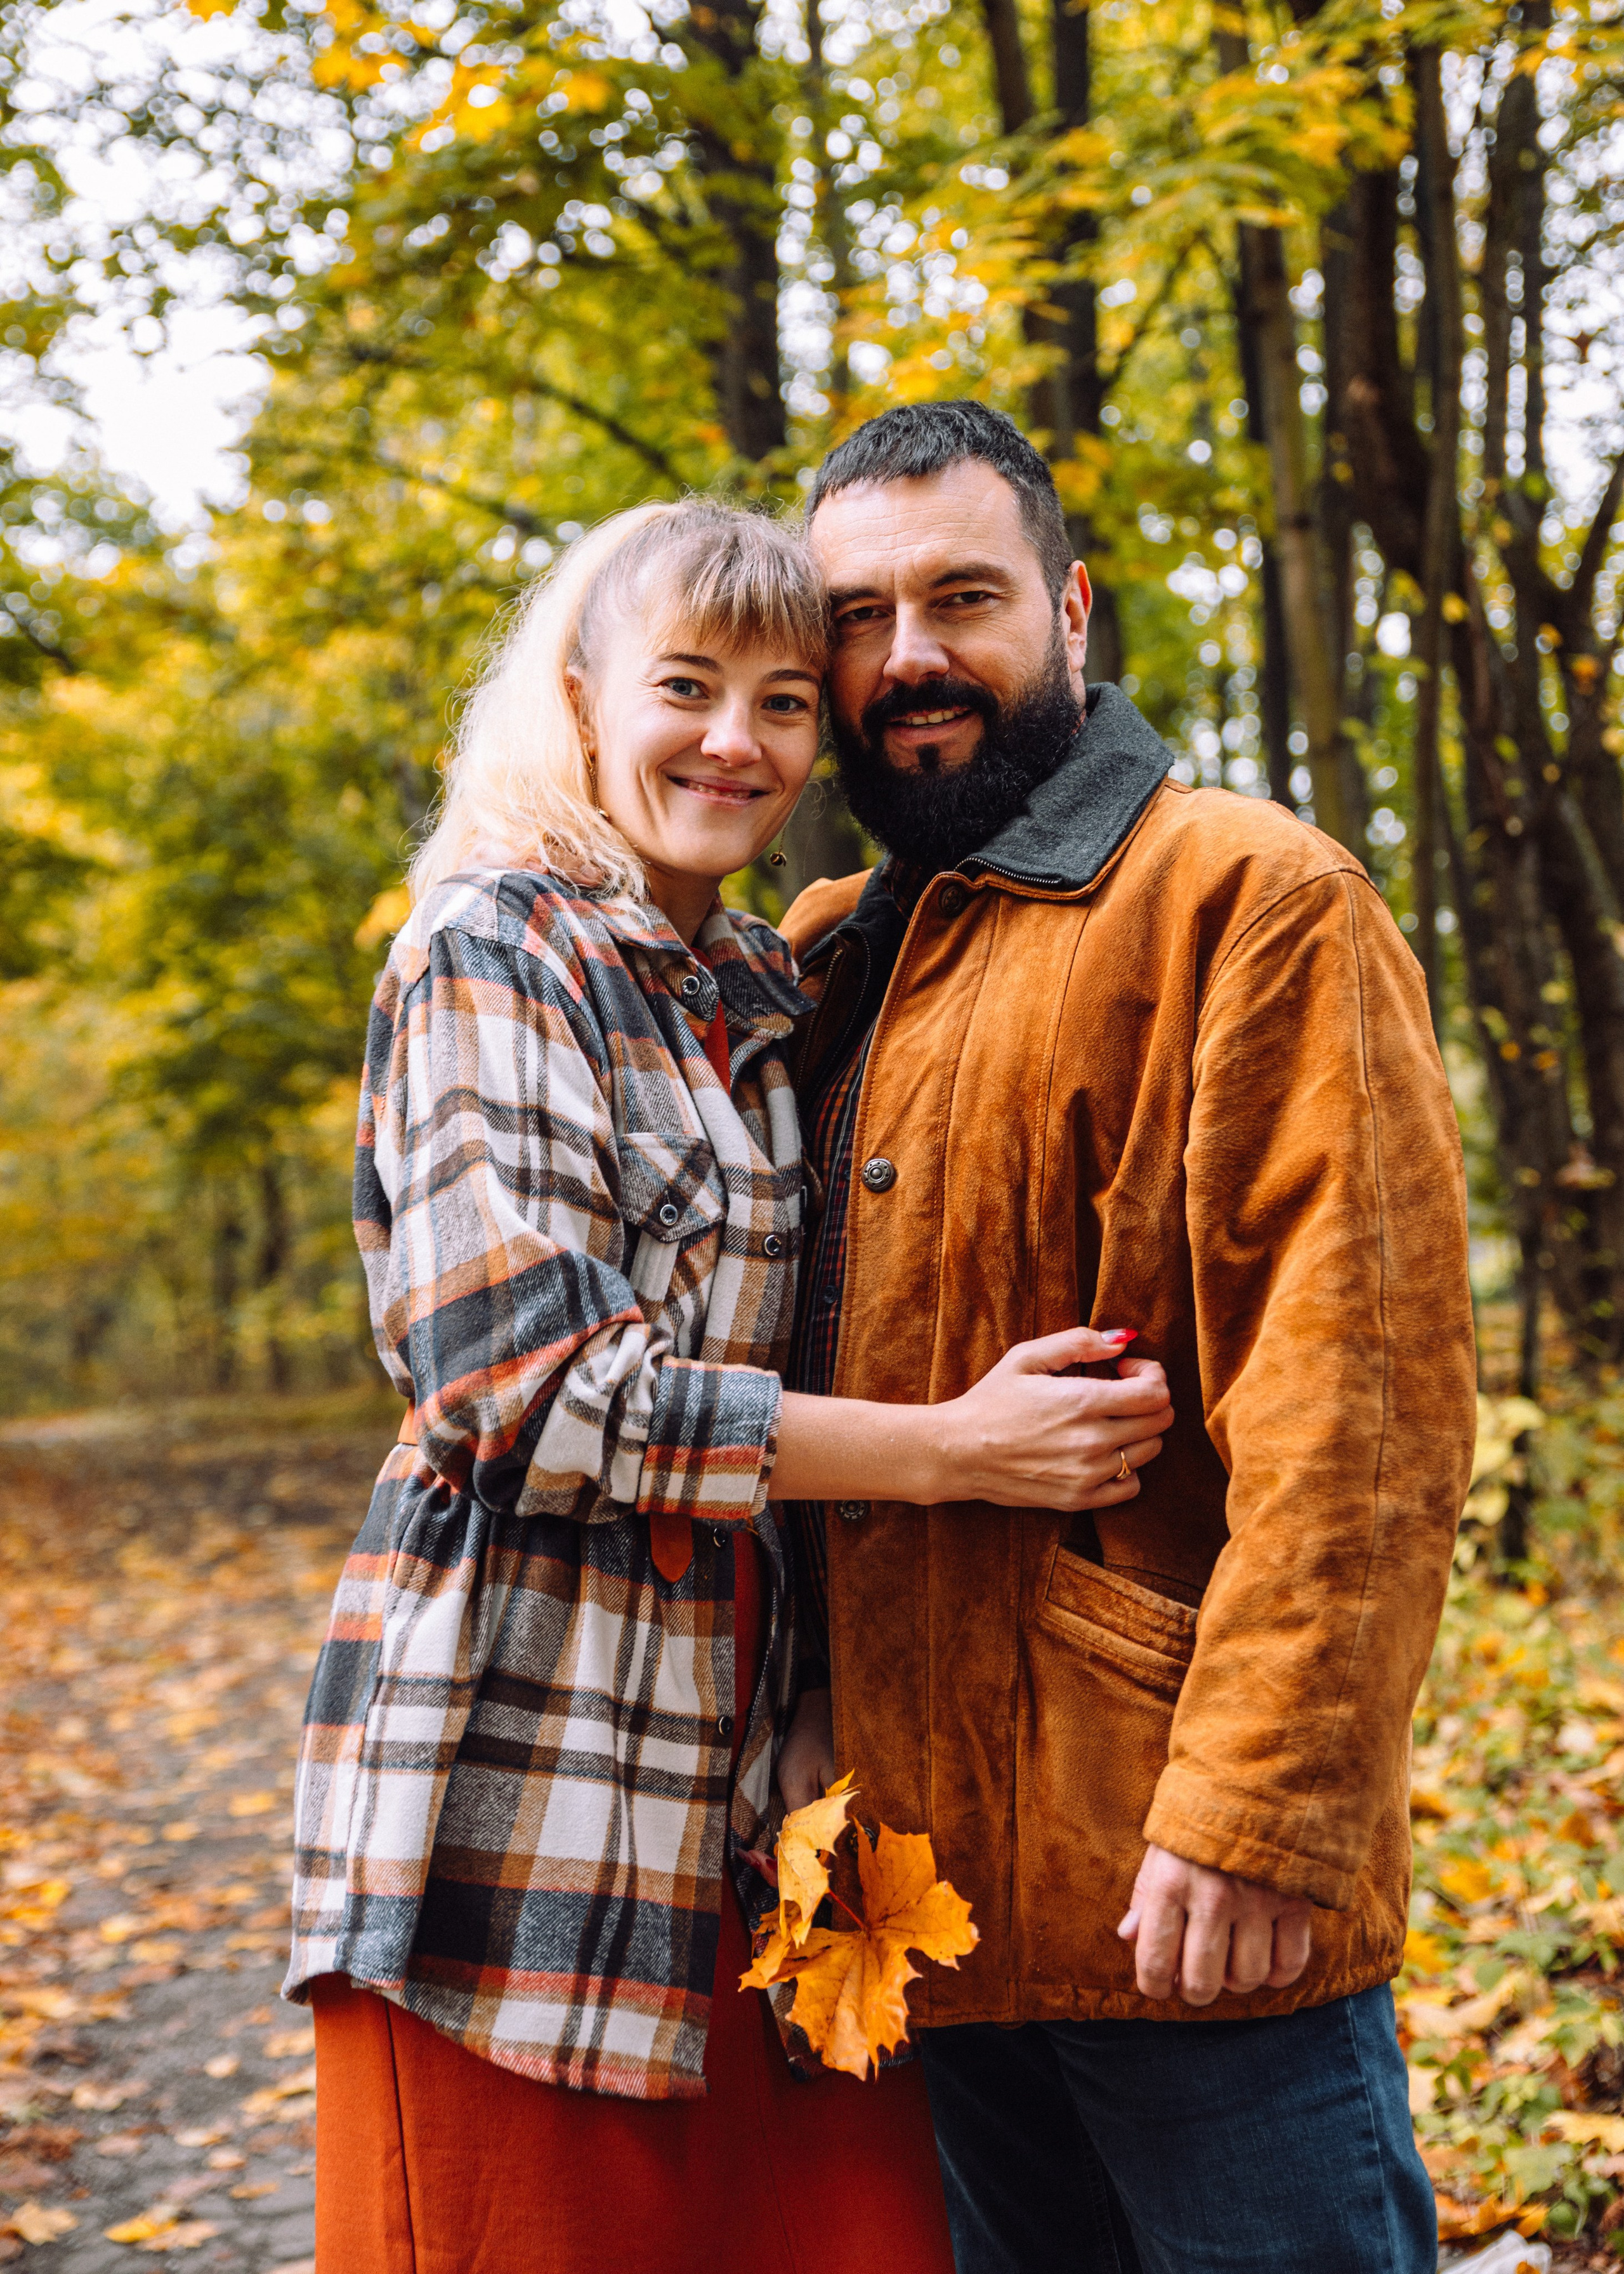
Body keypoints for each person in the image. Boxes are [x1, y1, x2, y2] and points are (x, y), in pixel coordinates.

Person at [284, 496, 1175, 2274]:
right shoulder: (493, 947)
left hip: (769, 1787)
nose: (735, 741)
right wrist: (954, 1452)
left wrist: (833, 1671)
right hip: (540, 1768)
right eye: (686, 685)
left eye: (782, 701)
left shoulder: (759, 985)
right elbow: (528, 1390)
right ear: (581, 696)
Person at [775, 401, 1477, 2274]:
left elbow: (1363, 1405)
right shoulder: (827, 951)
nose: (909, 657)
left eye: (964, 598)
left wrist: (1264, 1809)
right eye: (859, 617)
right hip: (913, 1890)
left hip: (1177, 1888)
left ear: (1070, 611)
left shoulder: (1252, 897)